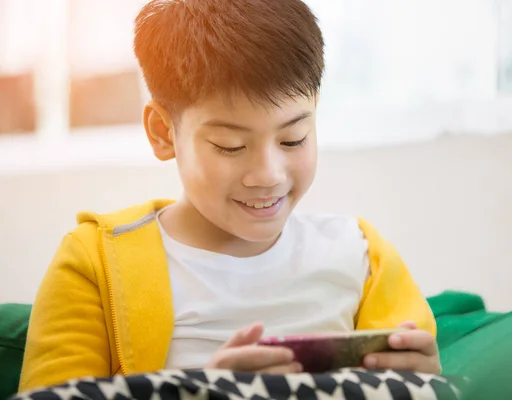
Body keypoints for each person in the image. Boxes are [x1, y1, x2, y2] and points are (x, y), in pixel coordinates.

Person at [19, 0, 440, 392]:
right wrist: (203, 390)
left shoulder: (363, 255)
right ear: (163, 133)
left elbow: (424, 381)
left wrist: (423, 384)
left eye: (294, 139)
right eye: (230, 146)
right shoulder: (96, 262)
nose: (268, 176)